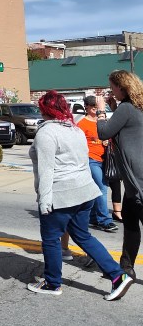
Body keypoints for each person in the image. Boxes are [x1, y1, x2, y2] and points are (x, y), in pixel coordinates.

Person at [28, 89, 132, 300]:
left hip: (60, 195)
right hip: (84, 192)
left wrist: (44, 201)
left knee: (51, 239)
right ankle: (117, 276)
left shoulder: (47, 133)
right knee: (83, 236)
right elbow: (83, 162)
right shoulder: (74, 129)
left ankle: (52, 283)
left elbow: (47, 170)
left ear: (45, 110)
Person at [97, 70, 143, 280]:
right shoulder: (135, 106)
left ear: (122, 87)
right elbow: (127, 129)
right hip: (134, 181)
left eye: (112, 87)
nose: (111, 91)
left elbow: (104, 133)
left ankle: (126, 267)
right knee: (130, 222)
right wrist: (114, 108)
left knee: (133, 223)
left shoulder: (126, 108)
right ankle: (126, 267)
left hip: (138, 180)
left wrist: (101, 112)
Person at [77, 95, 117, 232]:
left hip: (105, 159)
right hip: (91, 159)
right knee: (102, 188)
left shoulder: (102, 121)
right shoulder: (82, 124)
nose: (96, 109)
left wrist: (108, 141)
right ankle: (105, 220)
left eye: (97, 107)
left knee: (96, 189)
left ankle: (93, 217)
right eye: (93, 107)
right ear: (87, 107)